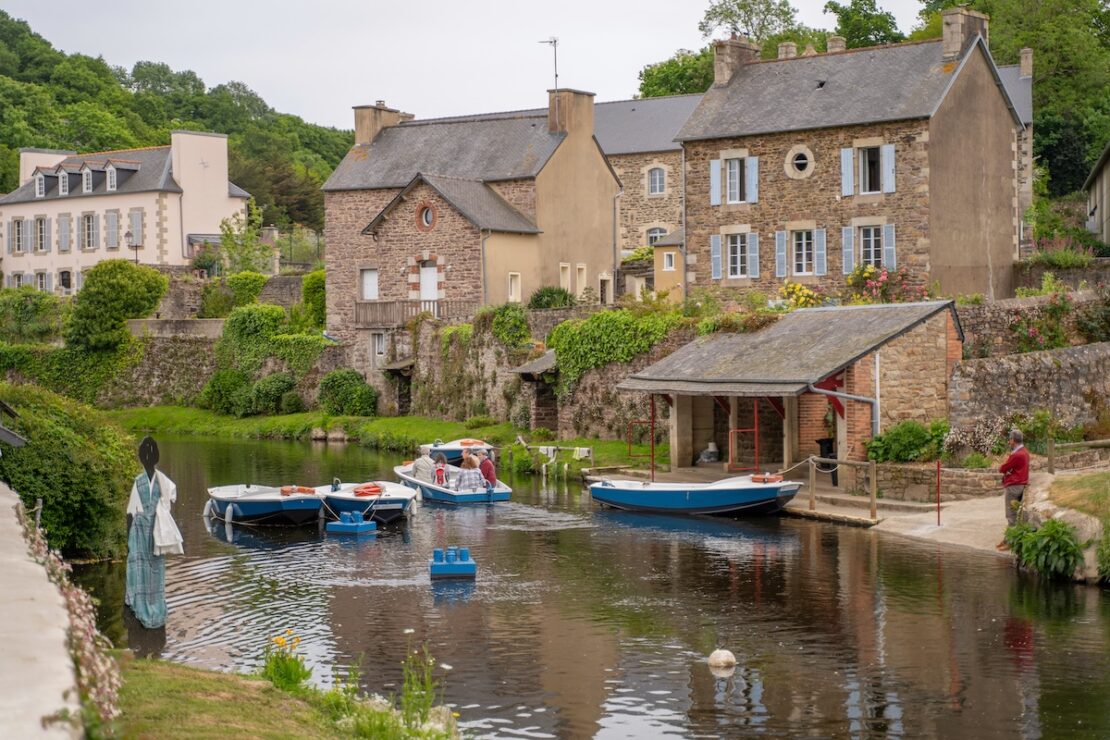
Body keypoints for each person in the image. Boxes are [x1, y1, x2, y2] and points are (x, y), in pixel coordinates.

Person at [997, 429, 1030, 551]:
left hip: (1014, 486)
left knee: (1010, 514)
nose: (1009, 441)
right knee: (1014, 514)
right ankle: (1008, 538)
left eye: (1010, 439)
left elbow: (1003, 468)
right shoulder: (1023, 452)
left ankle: (1010, 542)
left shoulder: (1017, 454)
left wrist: (1004, 466)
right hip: (1020, 484)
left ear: (1013, 440)